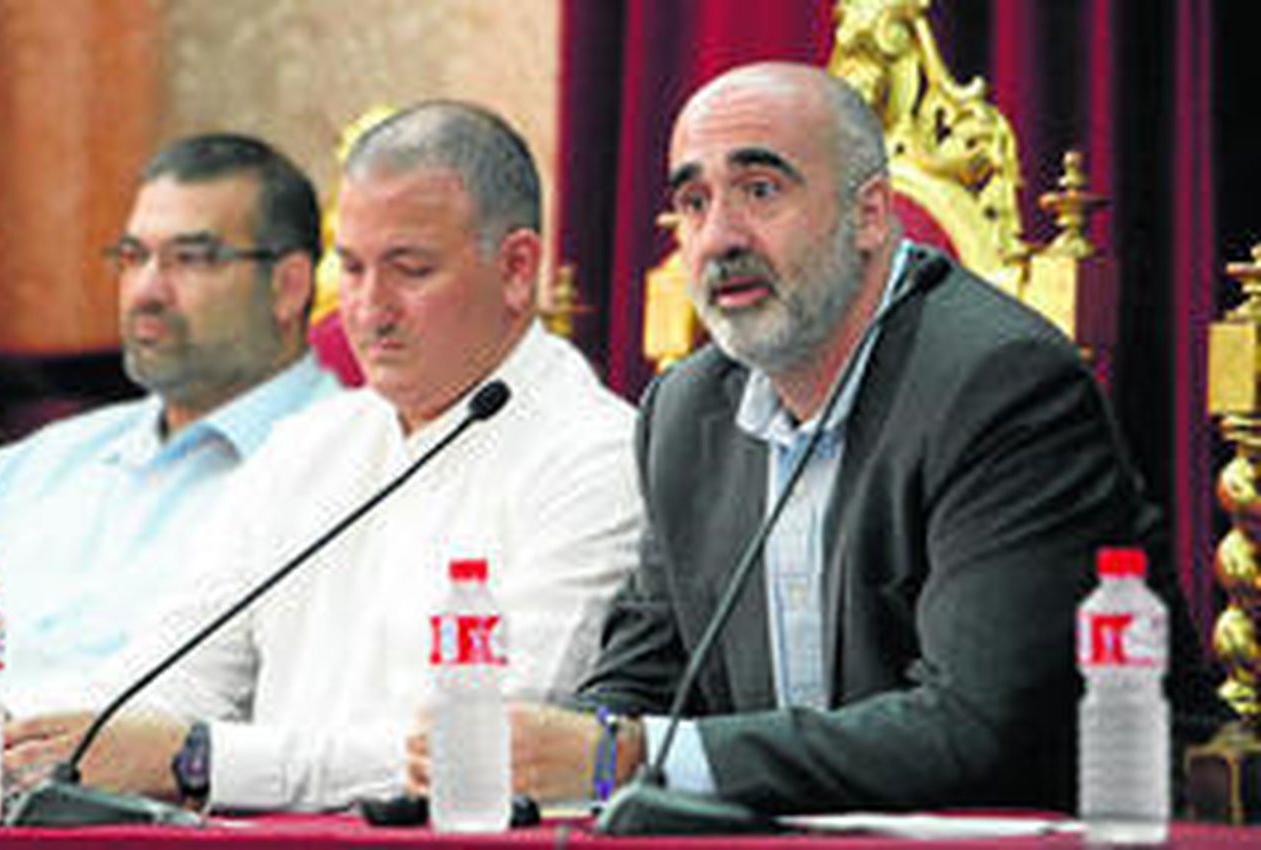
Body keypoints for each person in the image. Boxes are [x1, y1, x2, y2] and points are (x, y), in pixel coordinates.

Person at [478, 62, 1220, 815]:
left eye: (760, 191)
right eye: (694, 203)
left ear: (869, 214)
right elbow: (643, 676)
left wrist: (630, 755)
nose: (718, 238)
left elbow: (973, 727)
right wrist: (543, 750)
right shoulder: (683, 412)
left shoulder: (1001, 385)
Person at [4, 101, 643, 811]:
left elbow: (498, 749)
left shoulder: (596, 455)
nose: (368, 309)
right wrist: (57, 738)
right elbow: (172, 679)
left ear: (518, 268)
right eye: (353, 269)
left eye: (409, 269)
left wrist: (203, 759)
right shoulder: (308, 445)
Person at [0, 134, 341, 715]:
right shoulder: (42, 464)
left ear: (289, 286)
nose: (146, 290)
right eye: (132, 257)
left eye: (190, 259)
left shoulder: (351, 468)